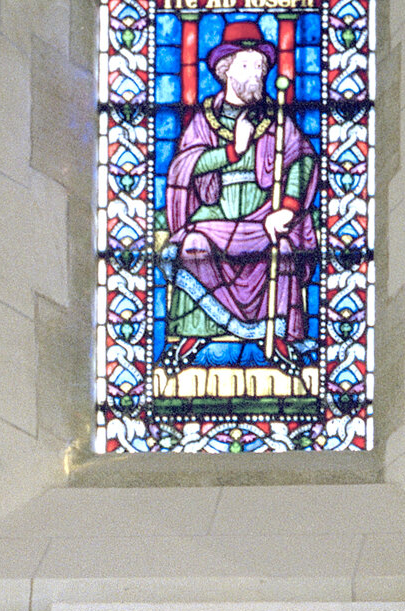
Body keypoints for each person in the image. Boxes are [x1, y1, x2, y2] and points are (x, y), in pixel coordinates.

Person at [161, 25, 317, 378]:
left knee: (285, 250)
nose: (257, 75)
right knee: (193, 247)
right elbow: (185, 167)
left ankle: (276, 336)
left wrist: (288, 209)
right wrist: (233, 151)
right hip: (216, 215)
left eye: (261, 68)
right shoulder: (205, 120)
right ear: (225, 69)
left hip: (264, 217)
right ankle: (189, 337)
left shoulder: (276, 120)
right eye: (248, 66)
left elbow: (303, 160)